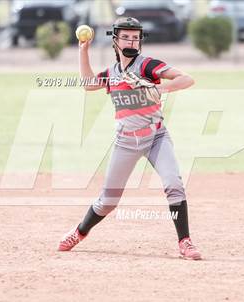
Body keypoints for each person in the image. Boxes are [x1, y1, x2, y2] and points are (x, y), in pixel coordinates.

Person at [58, 17, 201, 260]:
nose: (131, 40)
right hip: (126, 142)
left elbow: (186, 79)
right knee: (108, 201)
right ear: (115, 40)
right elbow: (89, 84)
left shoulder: (147, 66)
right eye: (126, 36)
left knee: (173, 183)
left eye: (135, 37)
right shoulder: (113, 73)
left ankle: (185, 242)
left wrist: (160, 89)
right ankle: (80, 231)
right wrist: (83, 51)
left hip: (156, 136)